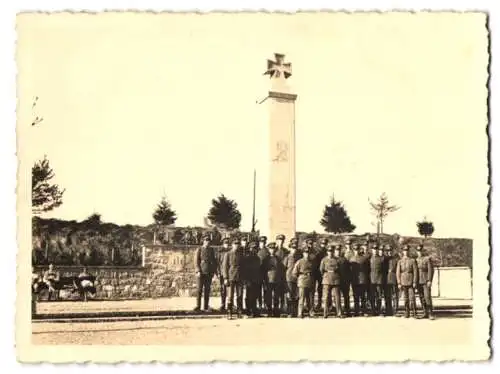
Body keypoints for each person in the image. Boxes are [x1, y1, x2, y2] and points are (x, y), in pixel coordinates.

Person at [222, 238, 245, 319]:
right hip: (230, 277)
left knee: (240, 295)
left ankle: (239, 312)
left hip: (240, 277)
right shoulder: (227, 254)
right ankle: (229, 312)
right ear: (232, 245)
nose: (236, 246)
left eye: (238, 244)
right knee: (230, 296)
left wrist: (243, 278)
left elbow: (243, 267)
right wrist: (225, 278)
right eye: (235, 244)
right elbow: (224, 267)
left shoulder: (241, 254)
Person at [193, 234, 217, 312]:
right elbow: (196, 261)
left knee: (207, 290)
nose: (207, 242)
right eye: (206, 240)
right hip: (201, 272)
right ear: (203, 241)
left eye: (208, 241)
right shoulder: (199, 249)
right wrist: (198, 271)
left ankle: (206, 306)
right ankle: (198, 306)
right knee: (199, 290)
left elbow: (214, 262)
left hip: (209, 272)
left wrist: (213, 273)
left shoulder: (211, 250)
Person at [292, 240, 315, 318]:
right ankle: (300, 313)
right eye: (305, 253)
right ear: (303, 254)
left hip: (310, 281)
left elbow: (314, 271)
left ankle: (311, 312)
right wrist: (300, 278)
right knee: (301, 298)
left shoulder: (312, 262)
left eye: (308, 253)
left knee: (310, 298)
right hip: (302, 281)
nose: (307, 254)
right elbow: (294, 272)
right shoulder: (299, 262)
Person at [320, 245, 343, 318]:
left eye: (332, 251)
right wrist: (326, 275)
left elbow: (340, 270)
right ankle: (325, 313)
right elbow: (321, 270)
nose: (330, 253)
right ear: (327, 252)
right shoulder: (324, 260)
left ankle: (339, 313)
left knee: (337, 297)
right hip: (326, 280)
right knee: (326, 297)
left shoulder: (337, 260)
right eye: (329, 251)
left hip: (336, 280)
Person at [263, 242, 286, 317]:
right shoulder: (265, 259)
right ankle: (269, 310)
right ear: (269, 250)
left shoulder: (278, 258)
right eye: (271, 249)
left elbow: (281, 269)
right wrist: (264, 279)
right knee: (268, 296)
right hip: (268, 280)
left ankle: (276, 310)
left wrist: (281, 278)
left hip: (277, 279)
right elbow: (263, 270)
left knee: (276, 296)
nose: (272, 250)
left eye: (273, 249)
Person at [396, 245, 418, 318]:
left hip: (411, 281)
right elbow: (398, 273)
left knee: (412, 297)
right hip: (403, 281)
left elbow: (415, 272)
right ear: (403, 252)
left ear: (409, 251)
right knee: (405, 298)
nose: (406, 252)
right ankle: (407, 312)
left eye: (407, 251)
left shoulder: (412, 260)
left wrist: (414, 282)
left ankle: (414, 312)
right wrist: (399, 282)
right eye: (404, 251)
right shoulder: (400, 261)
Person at [349, 244, 370, 316]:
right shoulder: (351, 259)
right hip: (354, 279)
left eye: (357, 249)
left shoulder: (364, 258)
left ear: (359, 250)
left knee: (363, 296)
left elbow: (368, 269)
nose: (356, 251)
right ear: (353, 250)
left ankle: (364, 311)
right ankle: (356, 311)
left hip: (362, 279)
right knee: (355, 296)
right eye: (355, 250)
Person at [415, 244, 435, 320]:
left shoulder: (427, 259)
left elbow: (431, 270)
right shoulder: (416, 260)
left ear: (423, 251)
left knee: (427, 297)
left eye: (420, 251)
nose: (419, 252)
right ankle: (425, 312)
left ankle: (430, 313)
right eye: (418, 251)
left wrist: (429, 280)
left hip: (425, 280)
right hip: (418, 281)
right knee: (421, 297)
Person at [283, 238, 301, 317]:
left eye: (295, 248)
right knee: (289, 295)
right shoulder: (287, 257)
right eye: (292, 248)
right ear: (290, 248)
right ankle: (289, 312)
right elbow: (284, 268)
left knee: (296, 295)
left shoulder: (299, 256)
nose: (294, 250)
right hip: (289, 278)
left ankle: (295, 311)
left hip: (297, 278)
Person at [244, 241, 261, 317]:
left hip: (256, 279)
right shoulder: (247, 258)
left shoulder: (257, 258)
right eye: (253, 248)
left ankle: (254, 310)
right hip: (249, 280)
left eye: (255, 248)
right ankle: (248, 310)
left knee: (255, 296)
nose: (254, 250)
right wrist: (246, 280)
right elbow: (245, 270)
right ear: (250, 249)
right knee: (249, 296)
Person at [383, 244, 399, 316]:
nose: (389, 252)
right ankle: (388, 310)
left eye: (390, 251)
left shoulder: (396, 259)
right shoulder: (384, 259)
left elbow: (398, 270)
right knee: (387, 296)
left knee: (395, 296)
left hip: (394, 279)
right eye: (387, 251)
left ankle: (395, 310)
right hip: (385, 280)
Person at [275, 234, 289, 313]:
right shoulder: (274, 250)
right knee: (276, 292)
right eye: (279, 240)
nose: (281, 242)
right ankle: (276, 308)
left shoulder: (286, 251)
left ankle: (283, 307)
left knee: (283, 292)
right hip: (276, 274)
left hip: (284, 274)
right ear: (277, 241)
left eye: (282, 240)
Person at [312, 238, 327, 312]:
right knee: (313, 288)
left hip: (323, 272)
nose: (323, 245)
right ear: (320, 244)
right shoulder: (316, 251)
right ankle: (312, 305)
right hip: (315, 272)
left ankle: (320, 304)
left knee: (322, 289)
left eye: (325, 244)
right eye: (322, 243)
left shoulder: (327, 252)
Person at [369, 244, 385, 316]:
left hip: (379, 279)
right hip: (371, 279)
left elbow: (384, 270)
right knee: (372, 295)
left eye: (376, 249)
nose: (375, 251)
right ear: (372, 250)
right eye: (374, 249)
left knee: (379, 295)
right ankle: (373, 310)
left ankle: (379, 310)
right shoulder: (369, 258)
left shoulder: (381, 259)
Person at [216, 238, 230, 311]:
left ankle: (230, 304)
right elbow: (217, 263)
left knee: (230, 289)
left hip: (230, 274)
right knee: (223, 289)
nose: (226, 245)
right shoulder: (220, 252)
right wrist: (218, 272)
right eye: (225, 243)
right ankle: (223, 304)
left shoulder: (231, 252)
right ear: (223, 244)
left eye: (227, 243)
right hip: (222, 273)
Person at [257, 236, 269, 311]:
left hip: (265, 273)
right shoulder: (256, 250)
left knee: (265, 290)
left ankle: (265, 304)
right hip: (258, 273)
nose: (262, 244)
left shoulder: (267, 251)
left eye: (264, 243)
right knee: (258, 290)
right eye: (261, 242)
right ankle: (260, 304)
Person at [339, 244, 352, 316]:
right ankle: (341, 310)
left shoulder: (345, 260)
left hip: (345, 280)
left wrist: (348, 279)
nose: (338, 252)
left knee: (345, 296)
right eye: (337, 251)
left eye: (340, 251)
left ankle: (347, 310)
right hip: (338, 280)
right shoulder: (335, 260)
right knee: (339, 296)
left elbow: (349, 271)